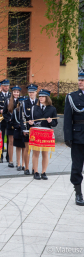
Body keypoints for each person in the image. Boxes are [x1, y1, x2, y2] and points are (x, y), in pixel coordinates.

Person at [28, 89, 57, 180]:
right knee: (35, 153)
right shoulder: (34, 108)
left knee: (45, 153)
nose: (40, 98)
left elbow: (55, 123)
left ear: (47, 98)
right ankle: (36, 171)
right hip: (36, 132)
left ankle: (43, 172)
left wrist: (51, 121)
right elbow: (30, 120)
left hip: (46, 133)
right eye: (40, 96)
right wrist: (30, 122)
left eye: (43, 96)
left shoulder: (52, 109)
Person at [64, 73, 84, 205]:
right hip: (78, 136)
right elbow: (67, 119)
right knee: (77, 167)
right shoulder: (72, 97)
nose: (80, 82)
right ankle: (78, 193)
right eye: (79, 80)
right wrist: (68, 136)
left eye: (83, 80)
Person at [0, 79, 11, 163]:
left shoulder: (11, 95)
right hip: (1, 119)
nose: (6, 87)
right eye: (5, 85)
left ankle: (8, 156)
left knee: (9, 138)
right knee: (1, 138)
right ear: (1, 86)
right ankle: (0, 155)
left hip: (9, 119)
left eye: (8, 85)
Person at [3, 85, 20, 168]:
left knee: (18, 143)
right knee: (10, 142)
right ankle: (10, 160)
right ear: (12, 93)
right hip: (10, 124)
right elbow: (4, 113)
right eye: (14, 92)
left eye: (17, 92)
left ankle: (18, 162)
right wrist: (8, 119)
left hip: (18, 124)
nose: (16, 93)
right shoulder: (7, 101)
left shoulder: (22, 101)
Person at [23, 84, 38, 175]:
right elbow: (25, 116)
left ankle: (34, 168)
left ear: (36, 92)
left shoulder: (38, 102)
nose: (31, 94)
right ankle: (26, 167)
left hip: (36, 128)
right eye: (29, 92)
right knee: (27, 148)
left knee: (35, 149)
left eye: (32, 92)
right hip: (28, 128)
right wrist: (24, 129)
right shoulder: (25, 102)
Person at [11, 96, 28, 172]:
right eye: (21, 102)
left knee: (24, 148)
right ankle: (18, 164)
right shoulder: (15, 111)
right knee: (18, 148)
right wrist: (18, 125)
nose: (22, 104)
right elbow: (12, 122)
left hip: (25, 131)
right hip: (17, 131)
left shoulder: (27, 111)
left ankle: (23, 164)